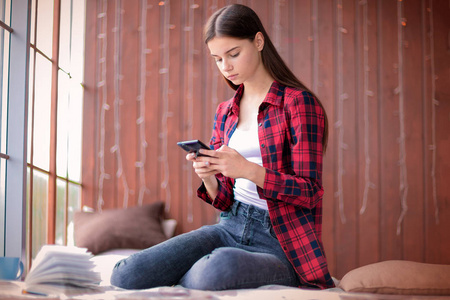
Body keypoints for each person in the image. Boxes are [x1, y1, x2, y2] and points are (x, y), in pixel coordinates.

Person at [111, 4, 334, 290]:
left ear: (258, 41)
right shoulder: (225, 111)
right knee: (126, 274)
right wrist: (207, 174)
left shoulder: (299, 103)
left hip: (281, 243)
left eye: (233, 54)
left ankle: (193, 274)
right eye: (217, 59)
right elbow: (225, 200)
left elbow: (311, 192)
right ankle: (192, 273)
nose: (226, 67)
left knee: (215, 269)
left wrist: (249, 170)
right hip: (230, 225)